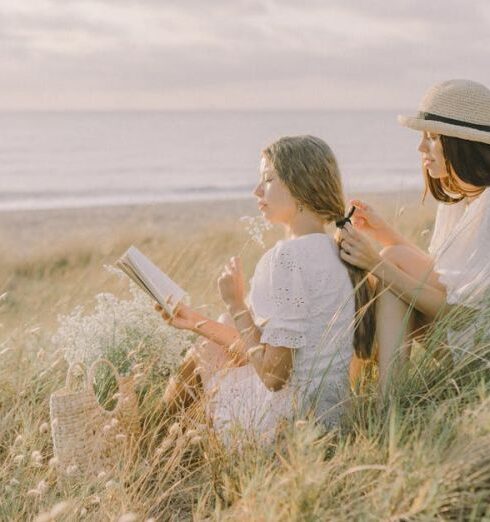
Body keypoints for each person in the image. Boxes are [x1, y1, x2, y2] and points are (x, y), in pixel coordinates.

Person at [156, 135, 375, 445]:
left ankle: (145, 447)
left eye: (268, 179)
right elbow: (277, 353)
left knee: (201, 356)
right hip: (329, 418)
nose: (256, 191)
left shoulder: (287, 258)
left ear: (301, 184)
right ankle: (153, 446)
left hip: (286, 426)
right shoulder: (336, 251)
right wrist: (193, 320)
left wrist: (236, 305)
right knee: (209, 346)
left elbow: (274, 376)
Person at [338, 79, 490, 389]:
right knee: (395, 259)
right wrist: (386, 234)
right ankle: (377, 394)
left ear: (463, 145)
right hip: (463, 338)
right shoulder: (460, 199)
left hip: (478, 354)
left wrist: (377, 264)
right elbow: (444, 279)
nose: (421, 148)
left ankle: (379, 396)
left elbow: (460, 316)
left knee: (391, 265)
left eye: (432, 137)